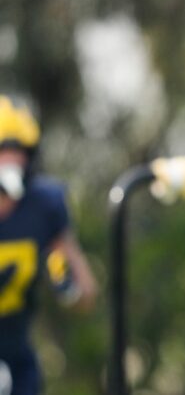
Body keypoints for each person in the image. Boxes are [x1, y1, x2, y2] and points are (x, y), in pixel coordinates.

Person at [0, 95, 97, 395]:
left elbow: (87, 295)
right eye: (4, 151)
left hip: (16, 354)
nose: (13, 162)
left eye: (20, 152)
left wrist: (66, 286)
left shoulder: (44, 205)